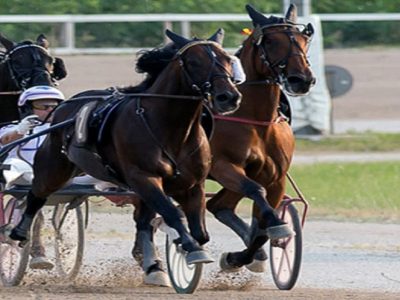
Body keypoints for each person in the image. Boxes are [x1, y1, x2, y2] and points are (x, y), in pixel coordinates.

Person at [0, 85, 64, 270]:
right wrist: (20, 130)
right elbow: (5, 140)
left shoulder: (64, 129)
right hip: (23, 173)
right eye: (44, 106)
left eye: (54, 107)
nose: (50, 111)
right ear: (28, 108)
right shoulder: (13, 128)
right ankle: (37, 251)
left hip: (57, 176)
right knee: (8, 167)